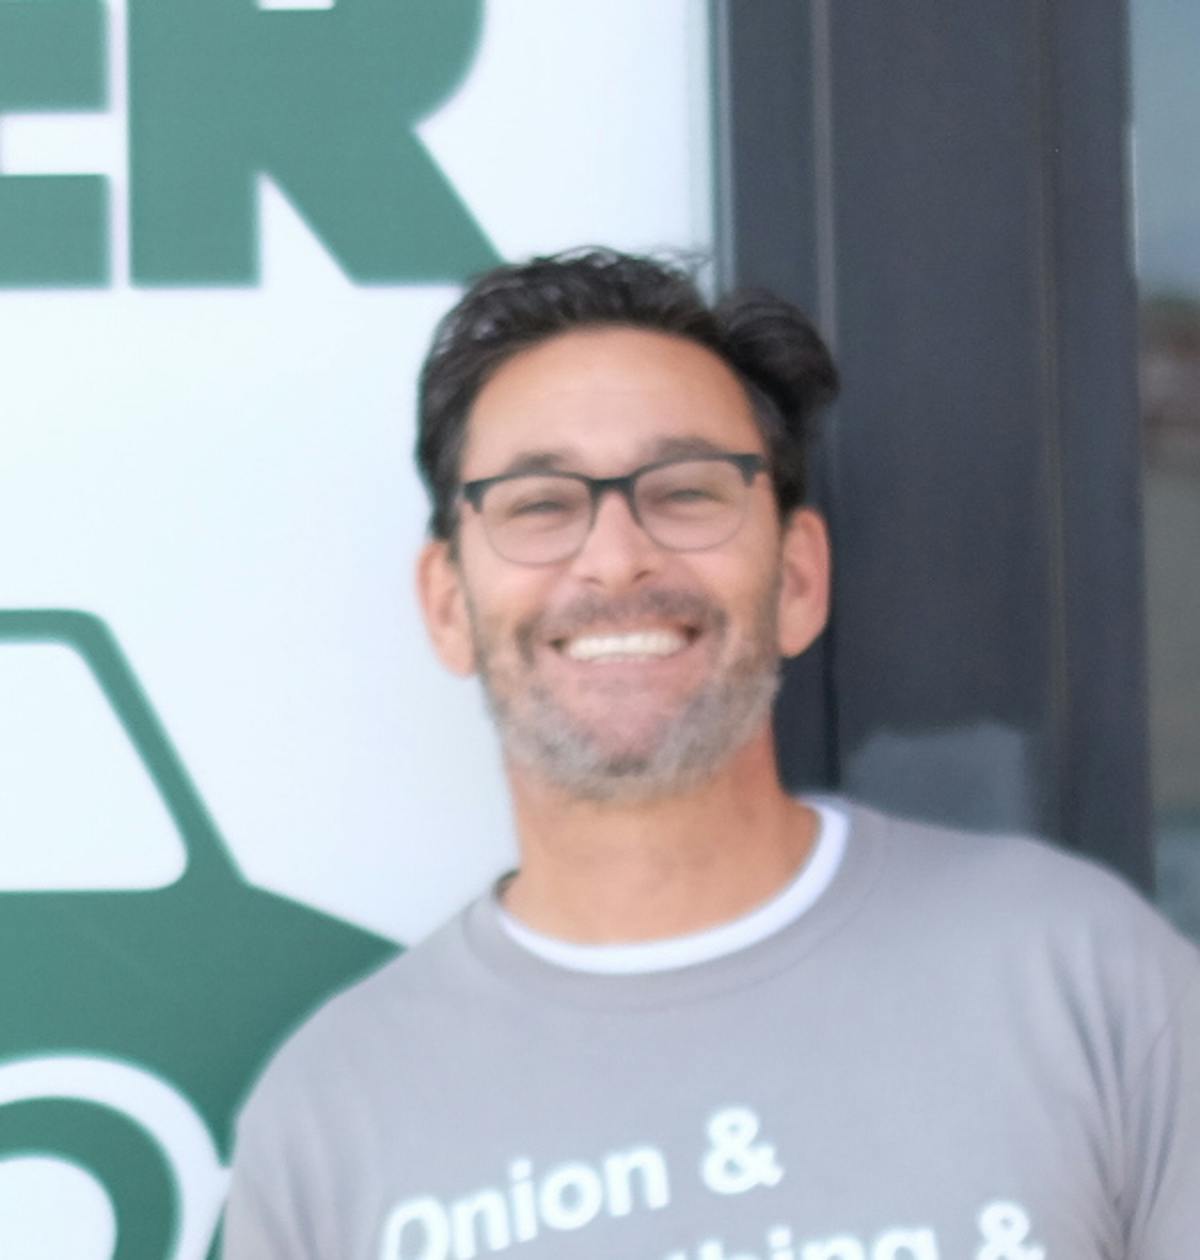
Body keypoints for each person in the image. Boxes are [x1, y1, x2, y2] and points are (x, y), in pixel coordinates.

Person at [223, 249, 1200, 1260]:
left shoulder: (1086, 981)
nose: (615, 556)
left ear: (798, 579)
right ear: (446, 605)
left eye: (685, 491)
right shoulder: (330, 1121)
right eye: (540, 504)